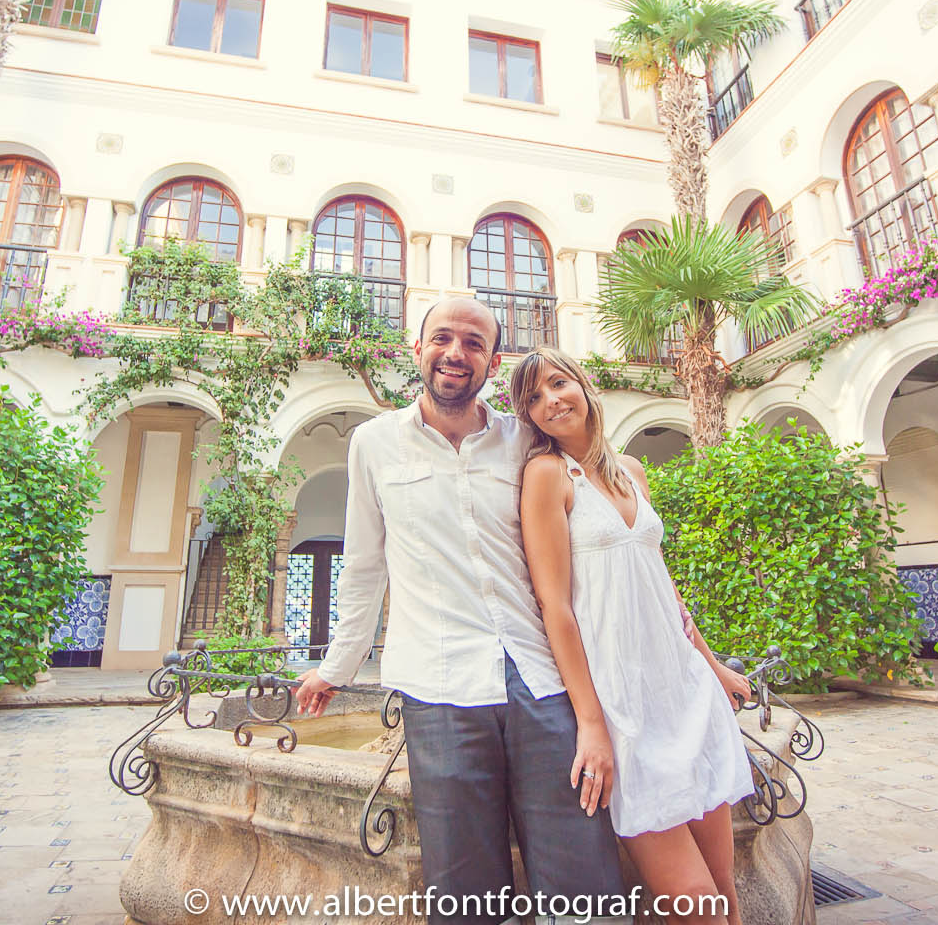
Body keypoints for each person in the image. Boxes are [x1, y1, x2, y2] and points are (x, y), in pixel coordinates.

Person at [294, 297, 627, 925]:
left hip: (540, 677)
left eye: (474, 343)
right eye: (442, 338)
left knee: (583, 872)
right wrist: (337, 667)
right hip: (439, 683)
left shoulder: (524, 440)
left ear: (492, 363)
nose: (455, 353)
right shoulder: (373, 443)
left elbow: (592, 543)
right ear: (417, 350)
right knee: (465, 888)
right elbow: (363, 565)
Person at [509, 346, 756, 925]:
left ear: (582, 384)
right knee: (696, 904)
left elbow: (661, 585)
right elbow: (555, 607)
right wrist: (591, 722)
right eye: (534, 398)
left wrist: (713, 667)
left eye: (558, 383)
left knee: (725, 887)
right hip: (623, 704)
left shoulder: (632, 471)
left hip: (682, 688)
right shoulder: (547, 475)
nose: (551, 401)